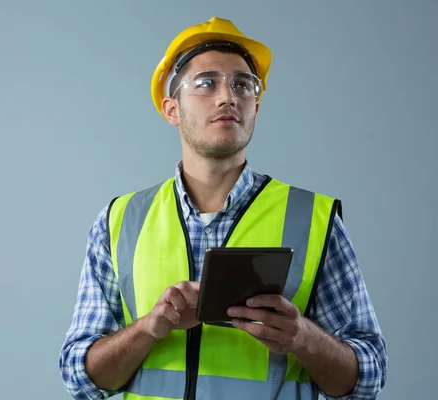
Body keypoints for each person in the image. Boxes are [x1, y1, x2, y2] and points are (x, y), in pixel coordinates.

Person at [59, 16, 387, 400]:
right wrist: (149, 327)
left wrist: (304, 339)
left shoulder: (314, 219)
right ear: (172, 109)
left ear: (256, 109)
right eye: (206, 83)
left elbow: (368, 379)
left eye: (243, 85)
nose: (228, 96)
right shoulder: (120, 222)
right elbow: (81, 378)